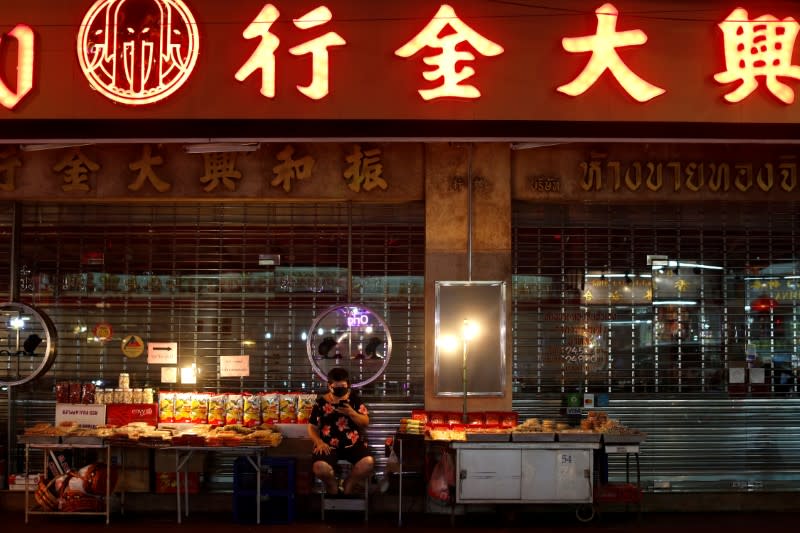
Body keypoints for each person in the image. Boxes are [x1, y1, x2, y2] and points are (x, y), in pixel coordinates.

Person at [308, 367, 374, 495]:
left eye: (342, 387)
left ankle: (348, 483)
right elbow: (312, 427)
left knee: (368, 463)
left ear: (348, 385)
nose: (340, 390)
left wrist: (351, 413)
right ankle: (332, 485)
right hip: (328, 446)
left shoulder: (354, 400)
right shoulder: (320, 403)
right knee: (319, 468)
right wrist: (319, 442)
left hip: (353, 444)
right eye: (336, 387)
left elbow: (365, 422)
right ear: (329, 385)